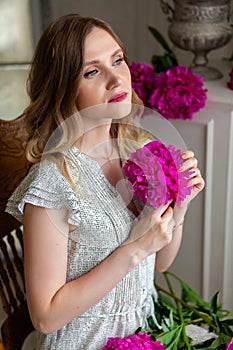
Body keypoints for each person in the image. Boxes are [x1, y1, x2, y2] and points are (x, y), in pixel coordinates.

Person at [6, 14, 205, 350]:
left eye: (118, 60)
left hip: (147, 334)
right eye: (92, 71)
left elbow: (160, 263)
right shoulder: (54, 181)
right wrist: (135, 247)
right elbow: (45, 316)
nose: (117, 80)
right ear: (63, 87)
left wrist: (178, 207)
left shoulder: (139, 149)